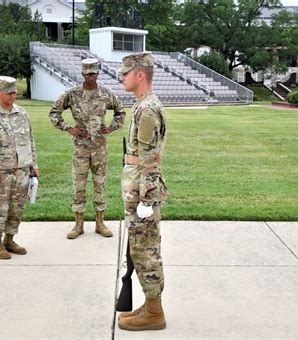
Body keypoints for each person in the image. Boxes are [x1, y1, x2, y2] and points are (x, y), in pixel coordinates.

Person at [117, 52, 168, 331]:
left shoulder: (147, 109)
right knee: (141, 249)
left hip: (142, 195)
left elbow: (149, 159)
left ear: (139, 75)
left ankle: (154, 313)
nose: (121, 77)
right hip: (137, 191)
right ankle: (150, 306)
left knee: (145, 251)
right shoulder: (142, 105)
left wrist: (146, 200)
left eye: (125, 73)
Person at [49, 58, 126, 239]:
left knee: (100, 185)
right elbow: (54, 112)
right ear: (83, 74)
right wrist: (69, 128)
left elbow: (120, 111)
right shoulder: (73, 94)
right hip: (81, 149)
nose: (92, 76)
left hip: (99, 149)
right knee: (79, 186)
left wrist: (111, 127)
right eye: (88, 73)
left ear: (98, 73)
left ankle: (100, 223)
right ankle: (79, 224)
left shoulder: (106, 94)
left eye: (94, 73)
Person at [0, 76, 40, 260]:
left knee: (17, 207)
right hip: (1, 172)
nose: (12, 96)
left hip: (22, 170)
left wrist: (34, 165)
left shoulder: (22, 114)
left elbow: (30, 141)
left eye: (14, 92)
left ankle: (9, 239)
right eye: (8, 93)